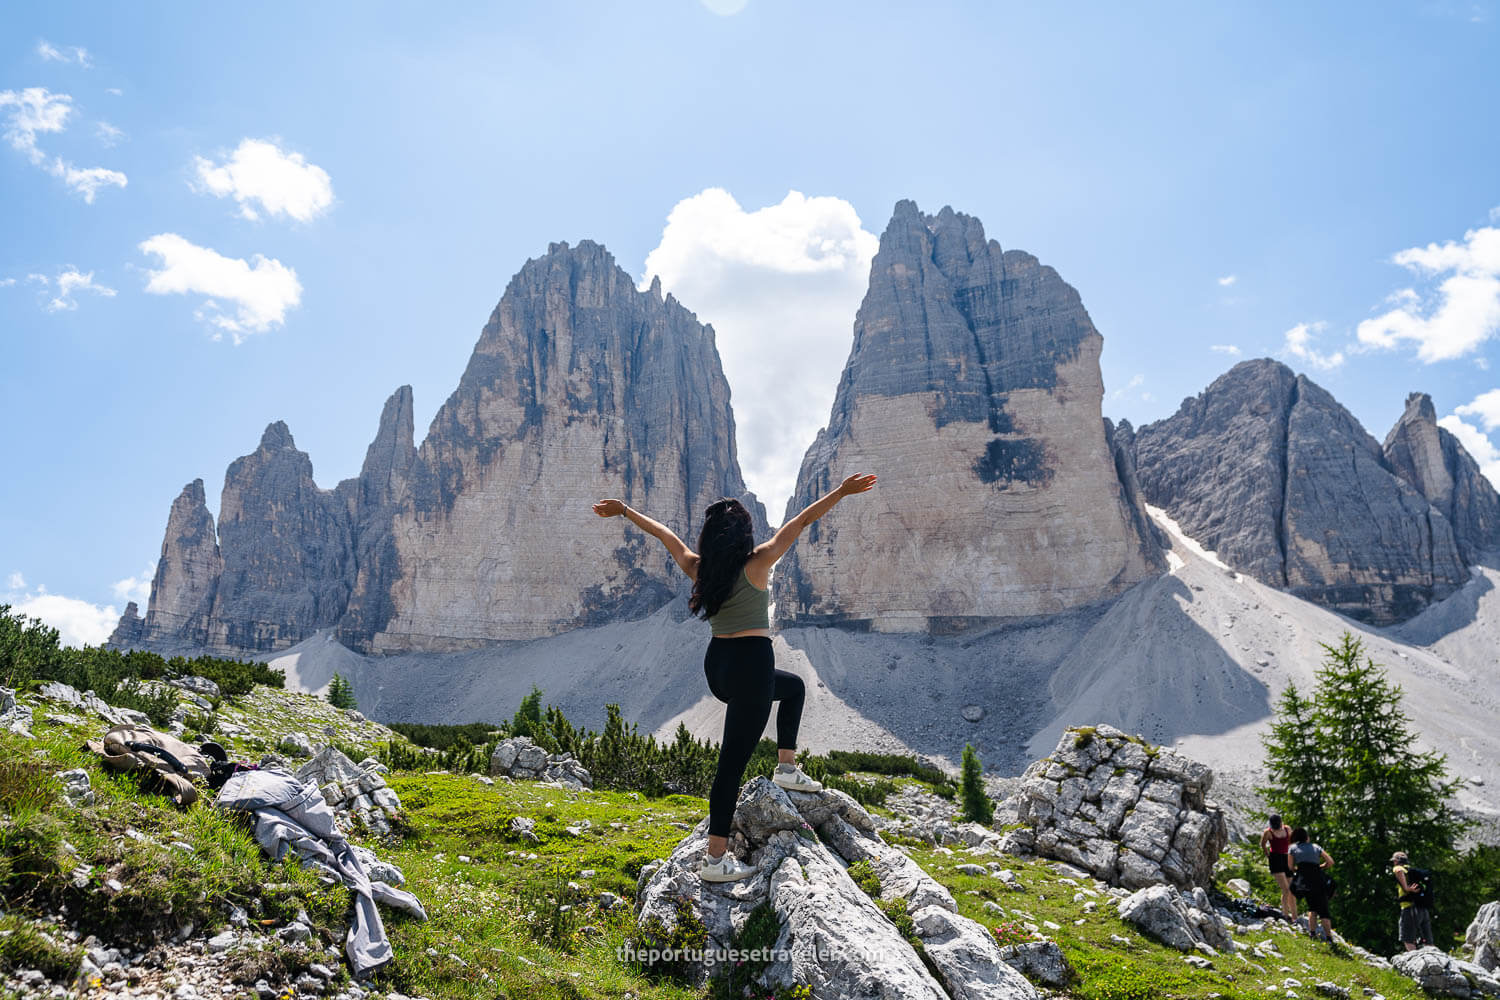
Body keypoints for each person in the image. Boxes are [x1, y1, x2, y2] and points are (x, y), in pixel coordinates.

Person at [592, 472, 877, 883]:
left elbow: (664, 534)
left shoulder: (698, 568)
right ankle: (715, 861)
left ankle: (786, 767)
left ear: (710, 537)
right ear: (743, 534)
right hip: (751, 667)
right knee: (730, 767)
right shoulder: (758, 562)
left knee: (793, 687)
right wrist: (841, 491)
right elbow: (799, 523)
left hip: (719, 668)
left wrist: (623, 510)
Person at [1288, 827, 1335, 942]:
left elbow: (1290, 867)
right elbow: (1330, 862)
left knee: (1312, 908)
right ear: (1307, 837)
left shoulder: (1292, 848)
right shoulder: (1316, 847)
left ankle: (1312, 934)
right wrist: (1320, 867)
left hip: (1305, 882)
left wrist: (1299, 870)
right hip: (1318, 879)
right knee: (1324, 910)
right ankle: (1329, 938)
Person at [1391, 851, 1433, 951]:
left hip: (1409, 908)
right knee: (1428, 941)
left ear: (1397, 861)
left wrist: (1406, 888)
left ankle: (1415, 963)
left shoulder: (1399, 868)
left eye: (1394, 861)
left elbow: (1397, 871)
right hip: (1422, 908)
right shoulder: (1411, 870)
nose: (1393, 863)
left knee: (1408, 938)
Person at [1260, 813, 1296, 920]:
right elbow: (1263, 844)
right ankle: (1285, 915)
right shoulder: (1268, 832)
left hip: (1287, 859)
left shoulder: (1287, 829)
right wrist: (1268, 855)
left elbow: (1292, 842)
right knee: (1285, 889)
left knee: (1292, 889)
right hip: (1275, 860)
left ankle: (1294, 916)